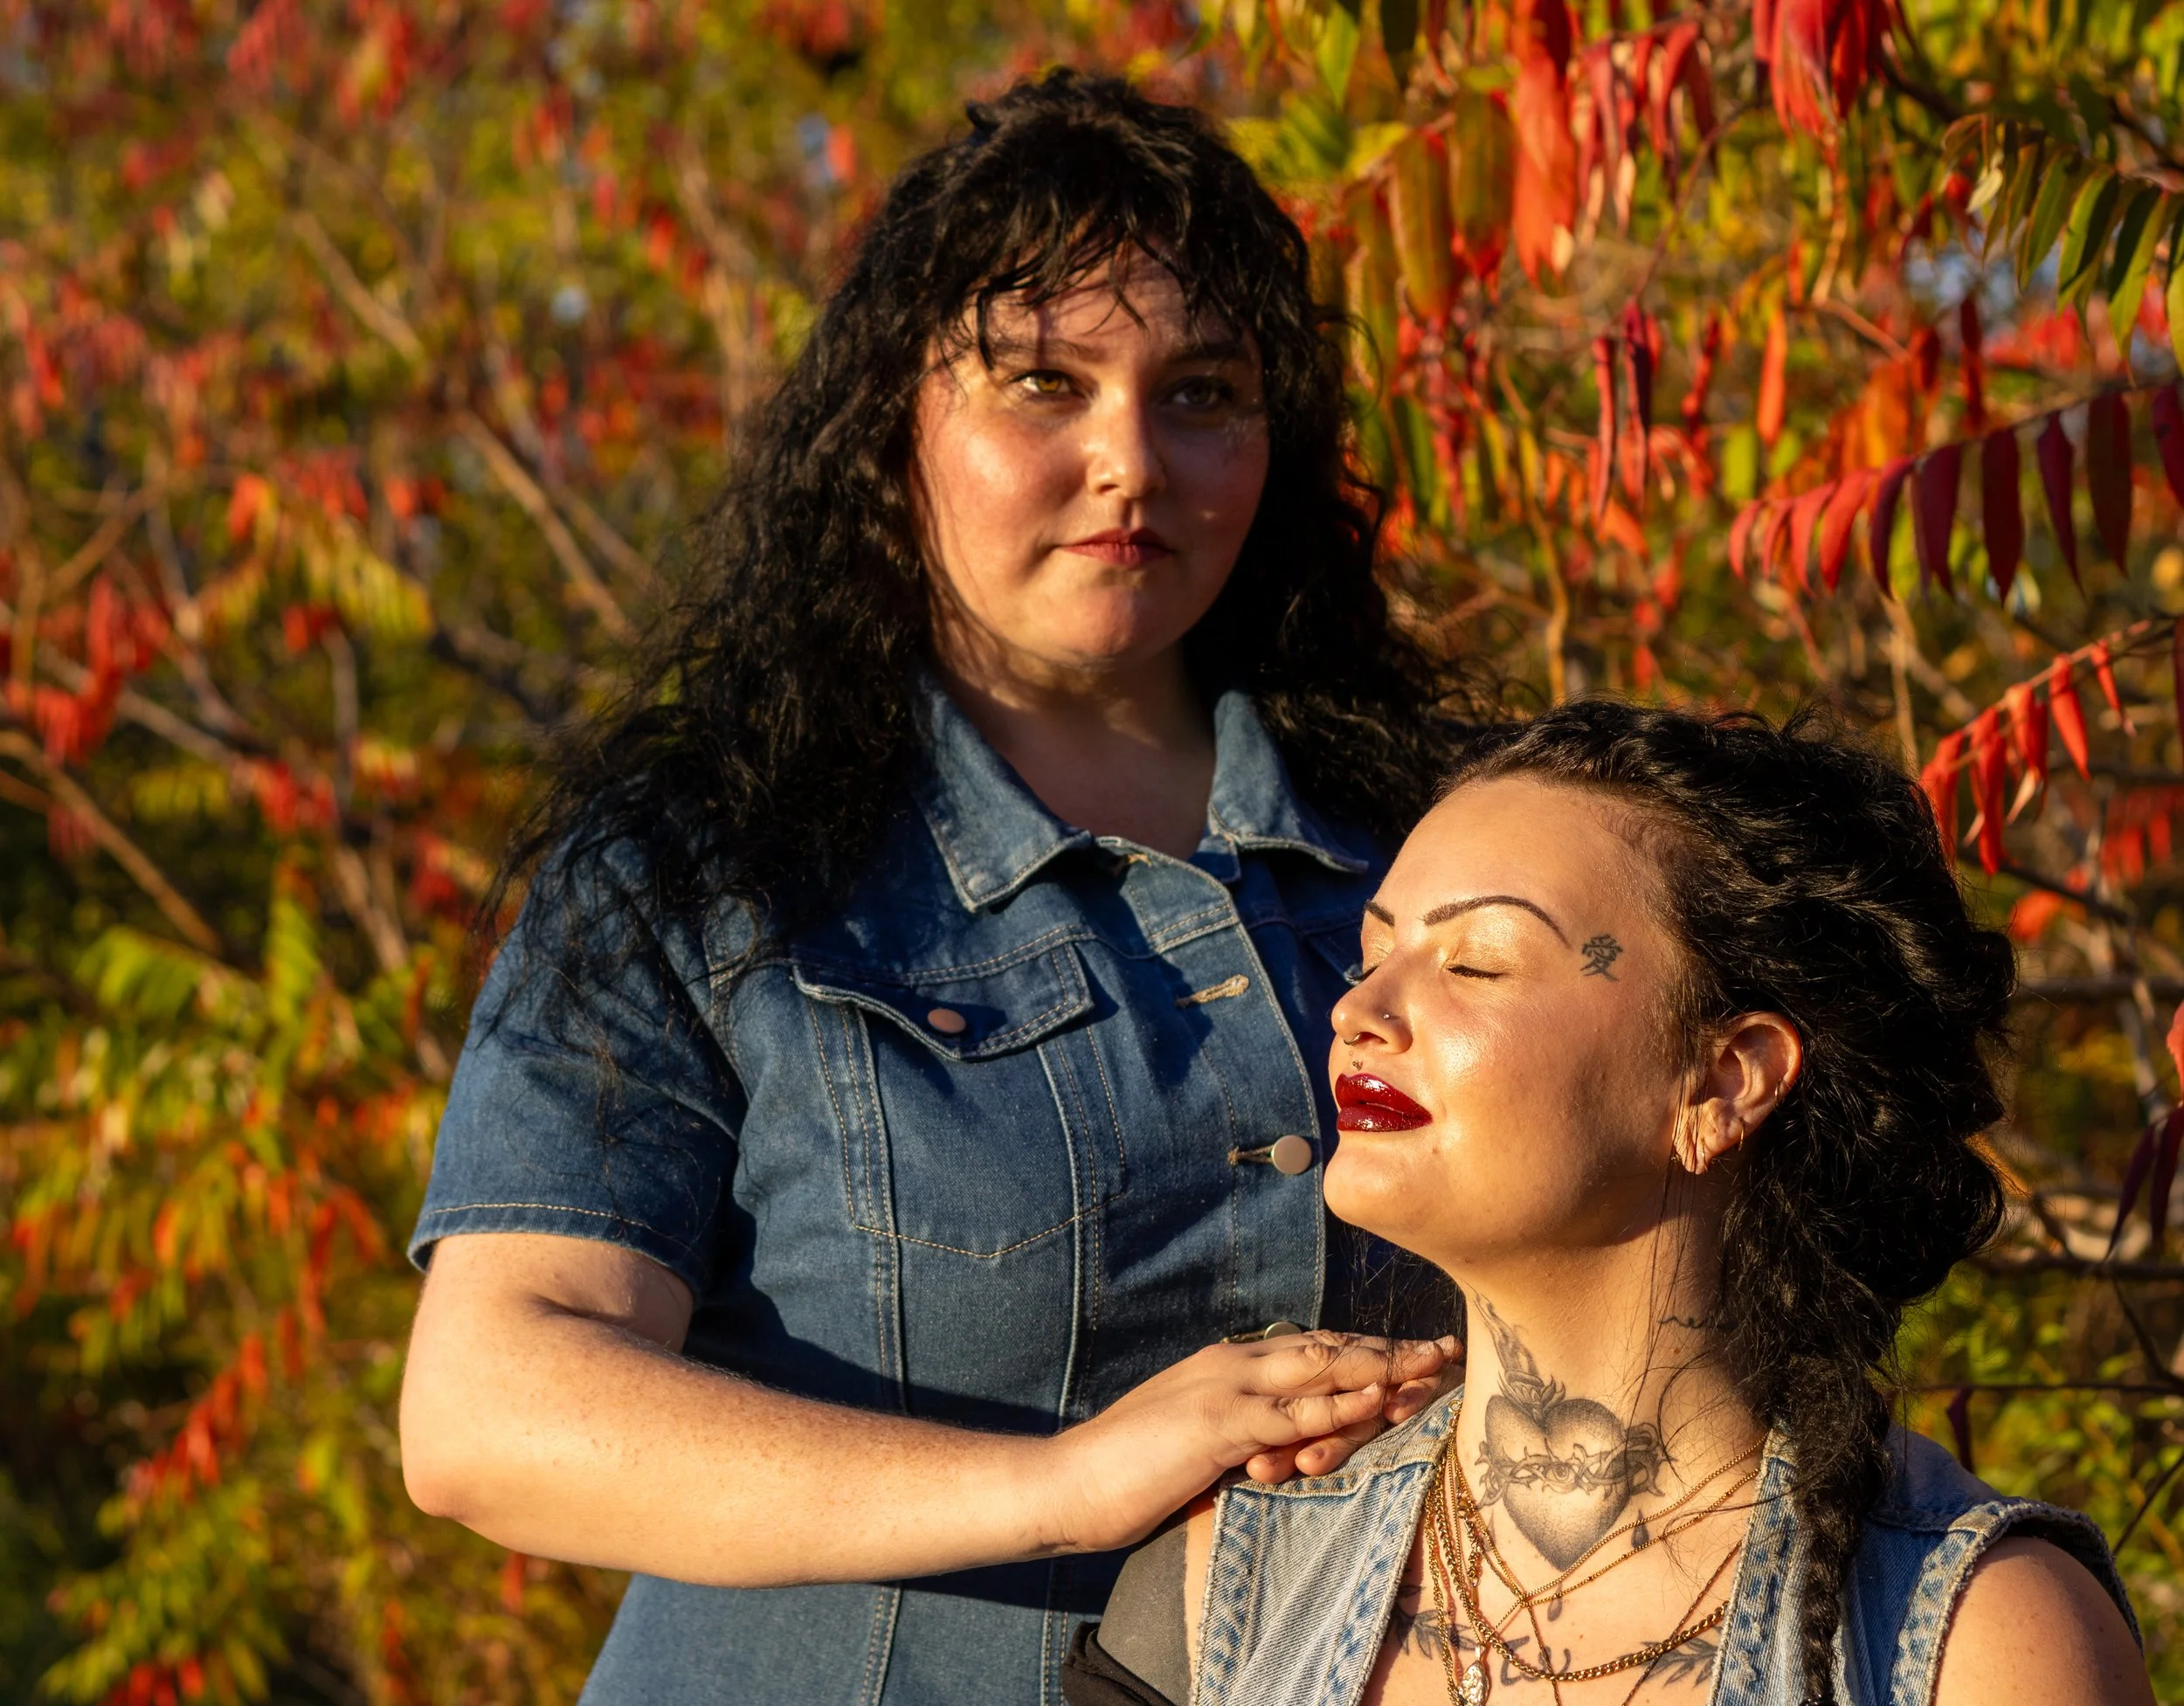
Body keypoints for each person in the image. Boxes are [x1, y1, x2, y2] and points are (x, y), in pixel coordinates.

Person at [396, 70, 1470, 1705]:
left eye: (1201, 392)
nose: (1131, 462)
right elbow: (488, 1411)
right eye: (1044, 383)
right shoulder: (706, 862)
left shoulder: (1445, 854)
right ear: (895, 417)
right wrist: (1069, 1482)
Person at [1065, 700, 2152, 1706]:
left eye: (1478, 963)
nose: (1360, 1009)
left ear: (1725, 1080)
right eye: (1373, 952)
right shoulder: (1225, 1587)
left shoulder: (1979, 1636)